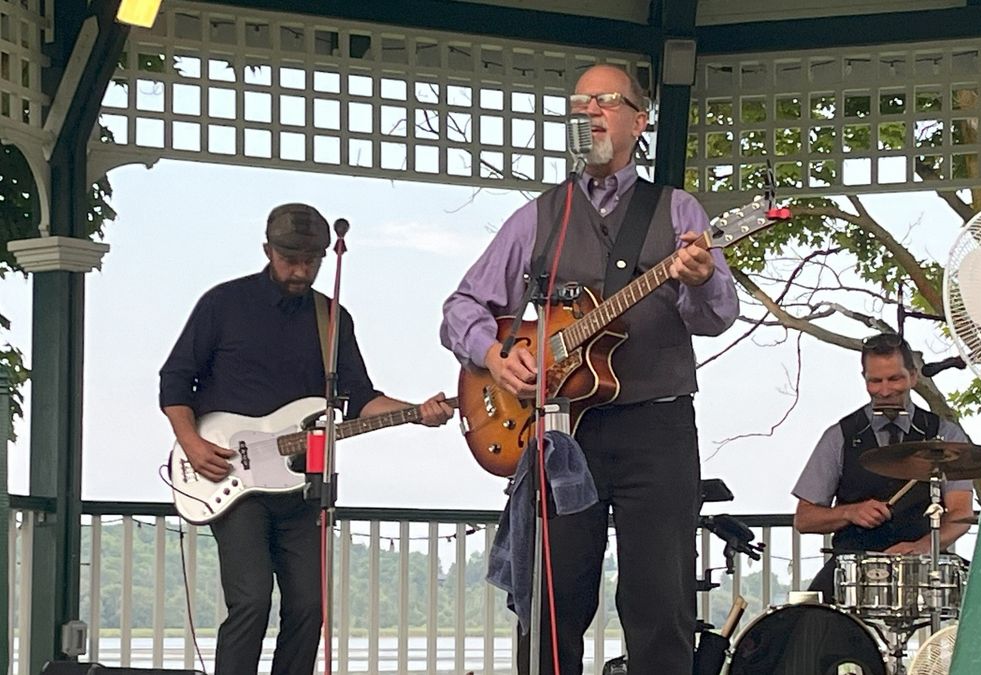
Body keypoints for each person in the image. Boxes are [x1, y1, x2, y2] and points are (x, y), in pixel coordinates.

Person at [440, 64, 738, 675]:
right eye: (579, 102)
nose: (589, 111)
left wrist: (702, 279)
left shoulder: (679, 209)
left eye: (604, 100)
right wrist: (497, 356)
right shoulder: (540, 216)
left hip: (657, 429)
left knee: (660, 603)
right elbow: (462, 308)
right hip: (562, 431)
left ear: (639, 120)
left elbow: (717, 316)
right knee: (551, 605)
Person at [159, 203, 453, 675]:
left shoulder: (332, 318)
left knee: (309, 608)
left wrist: (416, 413)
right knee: (252, 600)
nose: (300, 271)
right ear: (267, 251)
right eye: (289, 259)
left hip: (303, 483)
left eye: (311, 261)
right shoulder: (223, 304)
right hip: (232, 481)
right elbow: (174, 382)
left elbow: (358, 397)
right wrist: (191, 443)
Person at [791, 333, 975, 601]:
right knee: (806, 624)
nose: (885, 390)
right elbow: (804, 519)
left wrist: (924, 547)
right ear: (864, 379)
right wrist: (850, 512)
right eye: (875, 381)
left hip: (923, 563)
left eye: (895, 379)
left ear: (913, 377)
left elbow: (960, 514)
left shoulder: (944, 433)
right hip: (853, 566)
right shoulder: (840, 435)